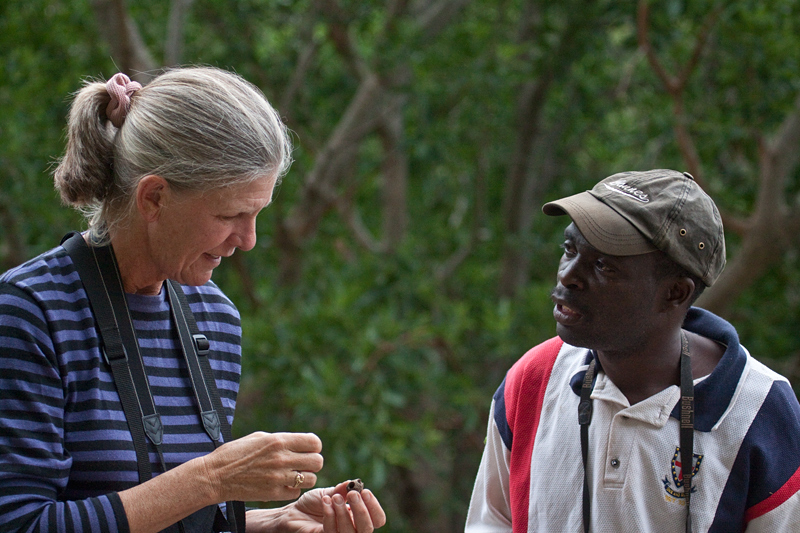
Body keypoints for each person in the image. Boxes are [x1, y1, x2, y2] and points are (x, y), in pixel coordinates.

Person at [0, 67, 386, 533]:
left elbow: (183, 520)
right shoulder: (30, 314)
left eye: (257, 213)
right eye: (231, 214)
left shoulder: (215, 319)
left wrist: (269, 523)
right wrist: (214, 478)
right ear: (154, 198)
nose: (248, 240)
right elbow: (20, 524)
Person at [465, 169, 800, 532]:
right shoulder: (534, 377)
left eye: (603, 266)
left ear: (675, 293)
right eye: (570, 250)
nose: (568, 276)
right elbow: (491, 521)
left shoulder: (759, 411)